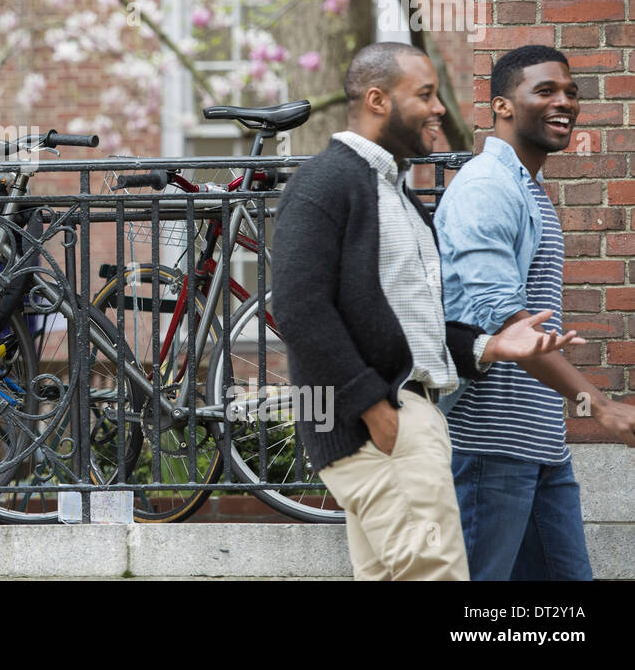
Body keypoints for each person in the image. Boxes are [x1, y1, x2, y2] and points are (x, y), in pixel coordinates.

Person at [272, 42, 582, 580]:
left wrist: (488, 346)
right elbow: (299, 308)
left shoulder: (395, 193)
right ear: (377, 100)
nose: (440, 108)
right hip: (383, 423)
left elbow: (414, 325)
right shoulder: (326, 181)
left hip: (412, 416)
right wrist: (375, 407)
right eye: (425, 95)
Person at [436, 45, 635, 579]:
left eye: (570, 91)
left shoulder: (529, 188)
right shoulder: (487, 187)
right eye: (544, 91)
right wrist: (601, 407)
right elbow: (505, 321)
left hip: (540, 443)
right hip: (487, 443)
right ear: (502, 105)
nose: (565, 102)